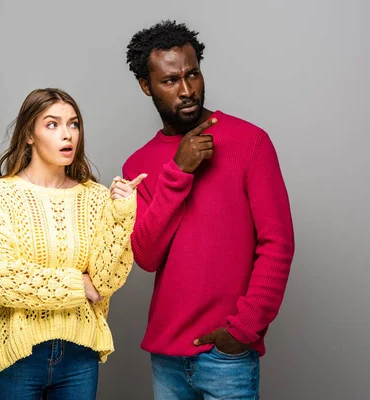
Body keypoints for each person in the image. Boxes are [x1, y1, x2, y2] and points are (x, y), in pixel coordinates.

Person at [123, 21, 295, 399]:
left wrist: (243, 331)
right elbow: (147, 256)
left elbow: (277, 244)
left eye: (193, 74)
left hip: (226, 357)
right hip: (166, 357)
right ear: (146, 86)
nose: (186, 90)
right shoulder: (138, 165)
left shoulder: (250, 141)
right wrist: (178, 172)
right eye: (170, 81)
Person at [0, 88, 145, 399]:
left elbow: (105, 282)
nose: (67, 135)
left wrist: (120, 215)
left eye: (73, 124)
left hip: (80, 355)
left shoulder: (95, 197)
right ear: (29, 135)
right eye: (52, 124)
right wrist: (77, 284)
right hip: (16, 353)